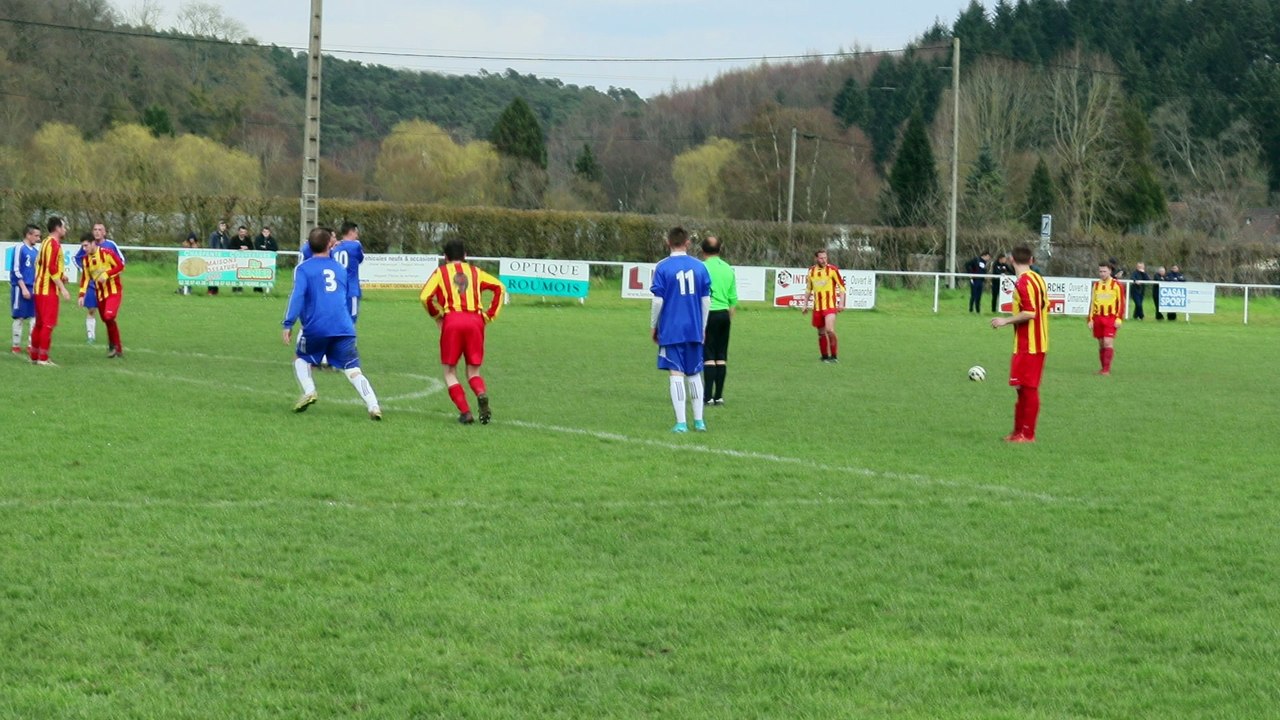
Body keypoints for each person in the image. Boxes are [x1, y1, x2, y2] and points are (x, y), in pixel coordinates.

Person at [282, 226, 382, 420]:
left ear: (308, 246)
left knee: (301, 359)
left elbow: (298, 295)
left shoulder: (303, 269)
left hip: (316, 327)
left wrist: (288, 323)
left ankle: (310, 391)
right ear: (330, 245)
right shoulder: (340, 269)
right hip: (344, 326)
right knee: (353, 369)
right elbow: (340, 297)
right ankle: (374, 406)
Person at [419, 238, 505, 424]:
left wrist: (437, 316)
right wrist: (489, 315)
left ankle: (466, 412)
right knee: (473, 372)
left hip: (453, 321)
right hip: (475, 321)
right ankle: (481, 393)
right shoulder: (476, 272)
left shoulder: (441, 273)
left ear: (445, 257)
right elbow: (500, 287)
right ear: (465, 256)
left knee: (450, 371)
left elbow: (425, 297)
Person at [650, 226, 711, 432]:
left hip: (671, 328)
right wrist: (702, 326)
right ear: (687, 243)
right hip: (693, 328)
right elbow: (706, 301)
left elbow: (657, 301)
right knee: (694, 373)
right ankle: (700, 421)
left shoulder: (662, 267)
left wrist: (653, 326)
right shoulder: (700, 267)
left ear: (668, 242)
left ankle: (681, 423)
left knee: (676, 374)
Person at [990, 245, 1049, 443]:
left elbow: (1031, 312)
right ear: (1031, 260)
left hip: (1030, 344)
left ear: (1012, 260)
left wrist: (1004, 321)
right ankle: (1018, 432)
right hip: (1032, 342)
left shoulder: (1024, 282)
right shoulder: (1037, 278)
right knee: (1021, 388)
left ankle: (1028, 434)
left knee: (1029, 388)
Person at [700, 234, 737, 405]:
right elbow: (733, 298)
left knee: (708, 354)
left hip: (708, 314)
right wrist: (728, 316)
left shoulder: (701, 268)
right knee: (721, 355)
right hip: (724, 314)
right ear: (720, 249)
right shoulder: (728, 268)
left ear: (702, 250)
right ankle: (719, 396)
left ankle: (707, 397)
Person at [29, 217, 71, 365]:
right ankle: (43, 358)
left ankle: (34, 356)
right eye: (63, 227)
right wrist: (62, 288)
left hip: (39, 288)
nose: (65, 229)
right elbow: (51, 268)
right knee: (48, 324)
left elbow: (41, 265)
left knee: (39, 324)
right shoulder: (54, 244)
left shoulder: (45, 242)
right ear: (57, 228)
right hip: (48, 290)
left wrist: (62, 276)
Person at [73, 223, 124, 344]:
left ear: (104, 232)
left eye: (100, 230)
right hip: (93, 285)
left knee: (108, 316)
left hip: (110, 287)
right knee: (91, 309)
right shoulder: (86, 250)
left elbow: (121, 263)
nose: (97, 232)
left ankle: (115, 344)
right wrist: (81, 293)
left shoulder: (110, 247)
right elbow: (77, 260)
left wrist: (108, 274)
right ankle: (91, 336)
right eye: (95, 229)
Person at [802, 249, 846, 362]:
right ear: (816, 258)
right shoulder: (811, 271)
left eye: (825, 257)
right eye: (821, 258)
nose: (824, 260)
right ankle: (825, 356)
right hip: (817, 307)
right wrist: (805, 304)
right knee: (821, 333)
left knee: (830, 330)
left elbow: (842, 288)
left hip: (830, 306)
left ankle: (834, 356)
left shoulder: (832, 270)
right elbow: (808, 289)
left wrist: (841, 303)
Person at [1087, 261, 1125, 375]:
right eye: (1100, 271)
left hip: (1111, 317)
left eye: (1104, 271)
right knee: (1101, 343)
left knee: (1108, 342)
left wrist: (1119, 318)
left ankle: (1106, 370)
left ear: (1110, 271)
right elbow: (1092, 302)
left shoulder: (1117, 285)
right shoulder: (1096, 285)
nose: (1102, 273)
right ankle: (1103, 368)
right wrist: (1090, 319)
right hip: (1098, 317)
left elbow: (1121, 303)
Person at [9, 224, 40, 354]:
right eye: (36, 235)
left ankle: (31, 344)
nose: (38, 239)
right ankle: (16, 345)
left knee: (34, 317)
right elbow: (15, 269)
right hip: (20, 288)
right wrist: (23, 288)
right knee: (19, 317)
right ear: (28, 235)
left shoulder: (36, 252)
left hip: (33, 287)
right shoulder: (19, 248)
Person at [332, 221, 365, 323]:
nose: (357, 235)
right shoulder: (356, 246)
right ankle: (348, 339)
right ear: (352, 232)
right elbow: (361, 259)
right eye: (356, 232)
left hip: (336, 289)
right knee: (351, 319)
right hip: (351, 289)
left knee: (337, 318)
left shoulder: (334, 249)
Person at [252, 226, 278, 293]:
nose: (266, 233)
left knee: (267, 274)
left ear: (269, 232)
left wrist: (266, 247)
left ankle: (267, 288)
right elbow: (257, 246)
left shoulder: (272, 239)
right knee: (257, 274)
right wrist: (266, 248)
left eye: (267, 232)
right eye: (264, 232)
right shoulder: (258, 238)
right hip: (259, 260)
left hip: (268, 262)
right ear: (262, 232)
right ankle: (257, 289)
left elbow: (275, 248)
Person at [207, 221, 229, 295]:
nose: (223, 227)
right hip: (214, 257)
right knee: (212, 274)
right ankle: (210, 290)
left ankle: (215, 290)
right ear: (218, 226)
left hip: (222, 258)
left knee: (218, 275)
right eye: (221, 225)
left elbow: (227, 246)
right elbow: (211, 245)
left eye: (224, 226)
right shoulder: (214, 235)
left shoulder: (226, 236)